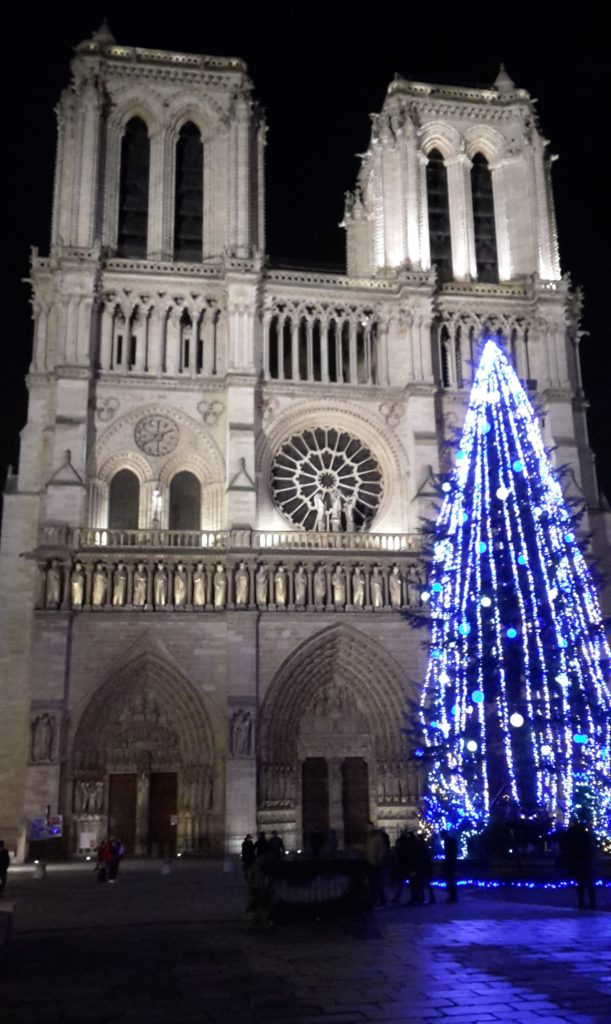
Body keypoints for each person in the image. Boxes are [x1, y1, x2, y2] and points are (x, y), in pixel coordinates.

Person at [563, 818, 597, 909]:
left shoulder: (572, 836)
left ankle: (582, 902)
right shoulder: (586, 836)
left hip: (578, 861)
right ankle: (591, 902)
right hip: (586, 860)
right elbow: (591, 848)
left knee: (581, 883)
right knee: (589, 883)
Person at [365, 821, 387, 908]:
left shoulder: (377, 837)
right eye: (367, 827)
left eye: (369, 827)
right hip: (369, 862)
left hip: (376, 863)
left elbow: (382, 849)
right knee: (374, 883)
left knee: (375, 882)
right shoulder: (368, 838)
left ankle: (376, 900)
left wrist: (379, 859)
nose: (368, 829)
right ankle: (381, 899)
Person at [441, 830, 458, 903]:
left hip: (450, 862)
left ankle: (452, 896)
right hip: (451, 862)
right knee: (451, 880)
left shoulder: (448, 842)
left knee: (450, 880)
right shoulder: (450, 841)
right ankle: (452, 895)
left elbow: (448, 853)